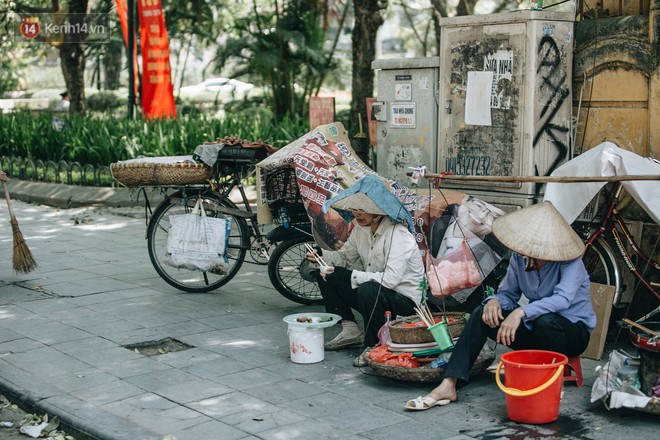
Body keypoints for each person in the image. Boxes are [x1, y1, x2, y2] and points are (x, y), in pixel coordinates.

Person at [405, 201, 596, 410]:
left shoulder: (571, 261)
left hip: (570, 334)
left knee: (545, 321)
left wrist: (521, 312)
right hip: (536, 331)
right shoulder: (520, 257)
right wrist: (494, 301)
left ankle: (549, 381)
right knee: (481, 313)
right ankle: (450, 382)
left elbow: (562, 300)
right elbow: (509, 293)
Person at [306, 175, 425, 365]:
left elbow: (390, 281)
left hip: (404, 301)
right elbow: (345, 257)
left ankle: (375, 346)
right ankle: (350, 330)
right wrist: (322, 255)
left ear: (379, 212)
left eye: (363, 210)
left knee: (368, 288)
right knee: (325, 274)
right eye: (355, 209)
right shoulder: (361, 230)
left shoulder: (399, 235)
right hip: (375, 293)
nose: (357, 214)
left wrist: (349, 275)